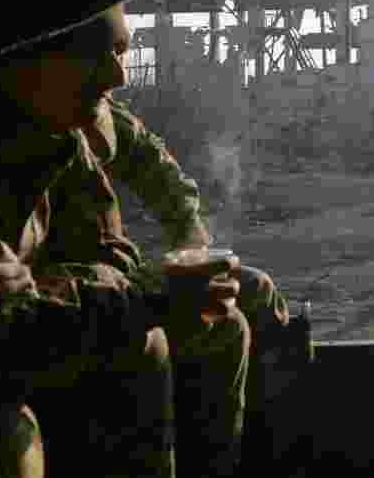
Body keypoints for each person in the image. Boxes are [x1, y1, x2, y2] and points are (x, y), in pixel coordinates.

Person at [0, 3, 241, 478]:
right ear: (25, 57)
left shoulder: (61, 131)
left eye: (122, 51)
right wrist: (145, 300)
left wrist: (175, 257)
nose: (119, 76)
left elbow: (108, 242)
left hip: (23, 327)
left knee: (230, 319)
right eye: (97, 53)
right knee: (8, 437)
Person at [42, 94, 313, 474]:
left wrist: (187, 229)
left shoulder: (89, 106)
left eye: (120, 53)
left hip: (112, 277)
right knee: (225, 324)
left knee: (256, 290)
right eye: (107, 53)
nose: (118, 73)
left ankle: (272, 452)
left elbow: (146, 156)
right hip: (72, 295)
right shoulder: (20, 133)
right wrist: (148, 290)